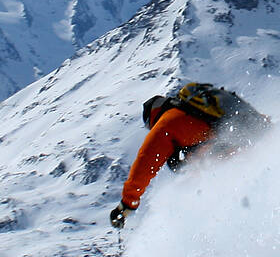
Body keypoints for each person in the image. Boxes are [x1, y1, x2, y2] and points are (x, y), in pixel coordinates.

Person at [109, 82, 270, 228]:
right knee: (187, 163)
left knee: (175, 161)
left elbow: (145, 162)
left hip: (232, 144)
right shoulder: (194, 109)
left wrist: (127, 204)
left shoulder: (165, 124)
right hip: (247, 136)